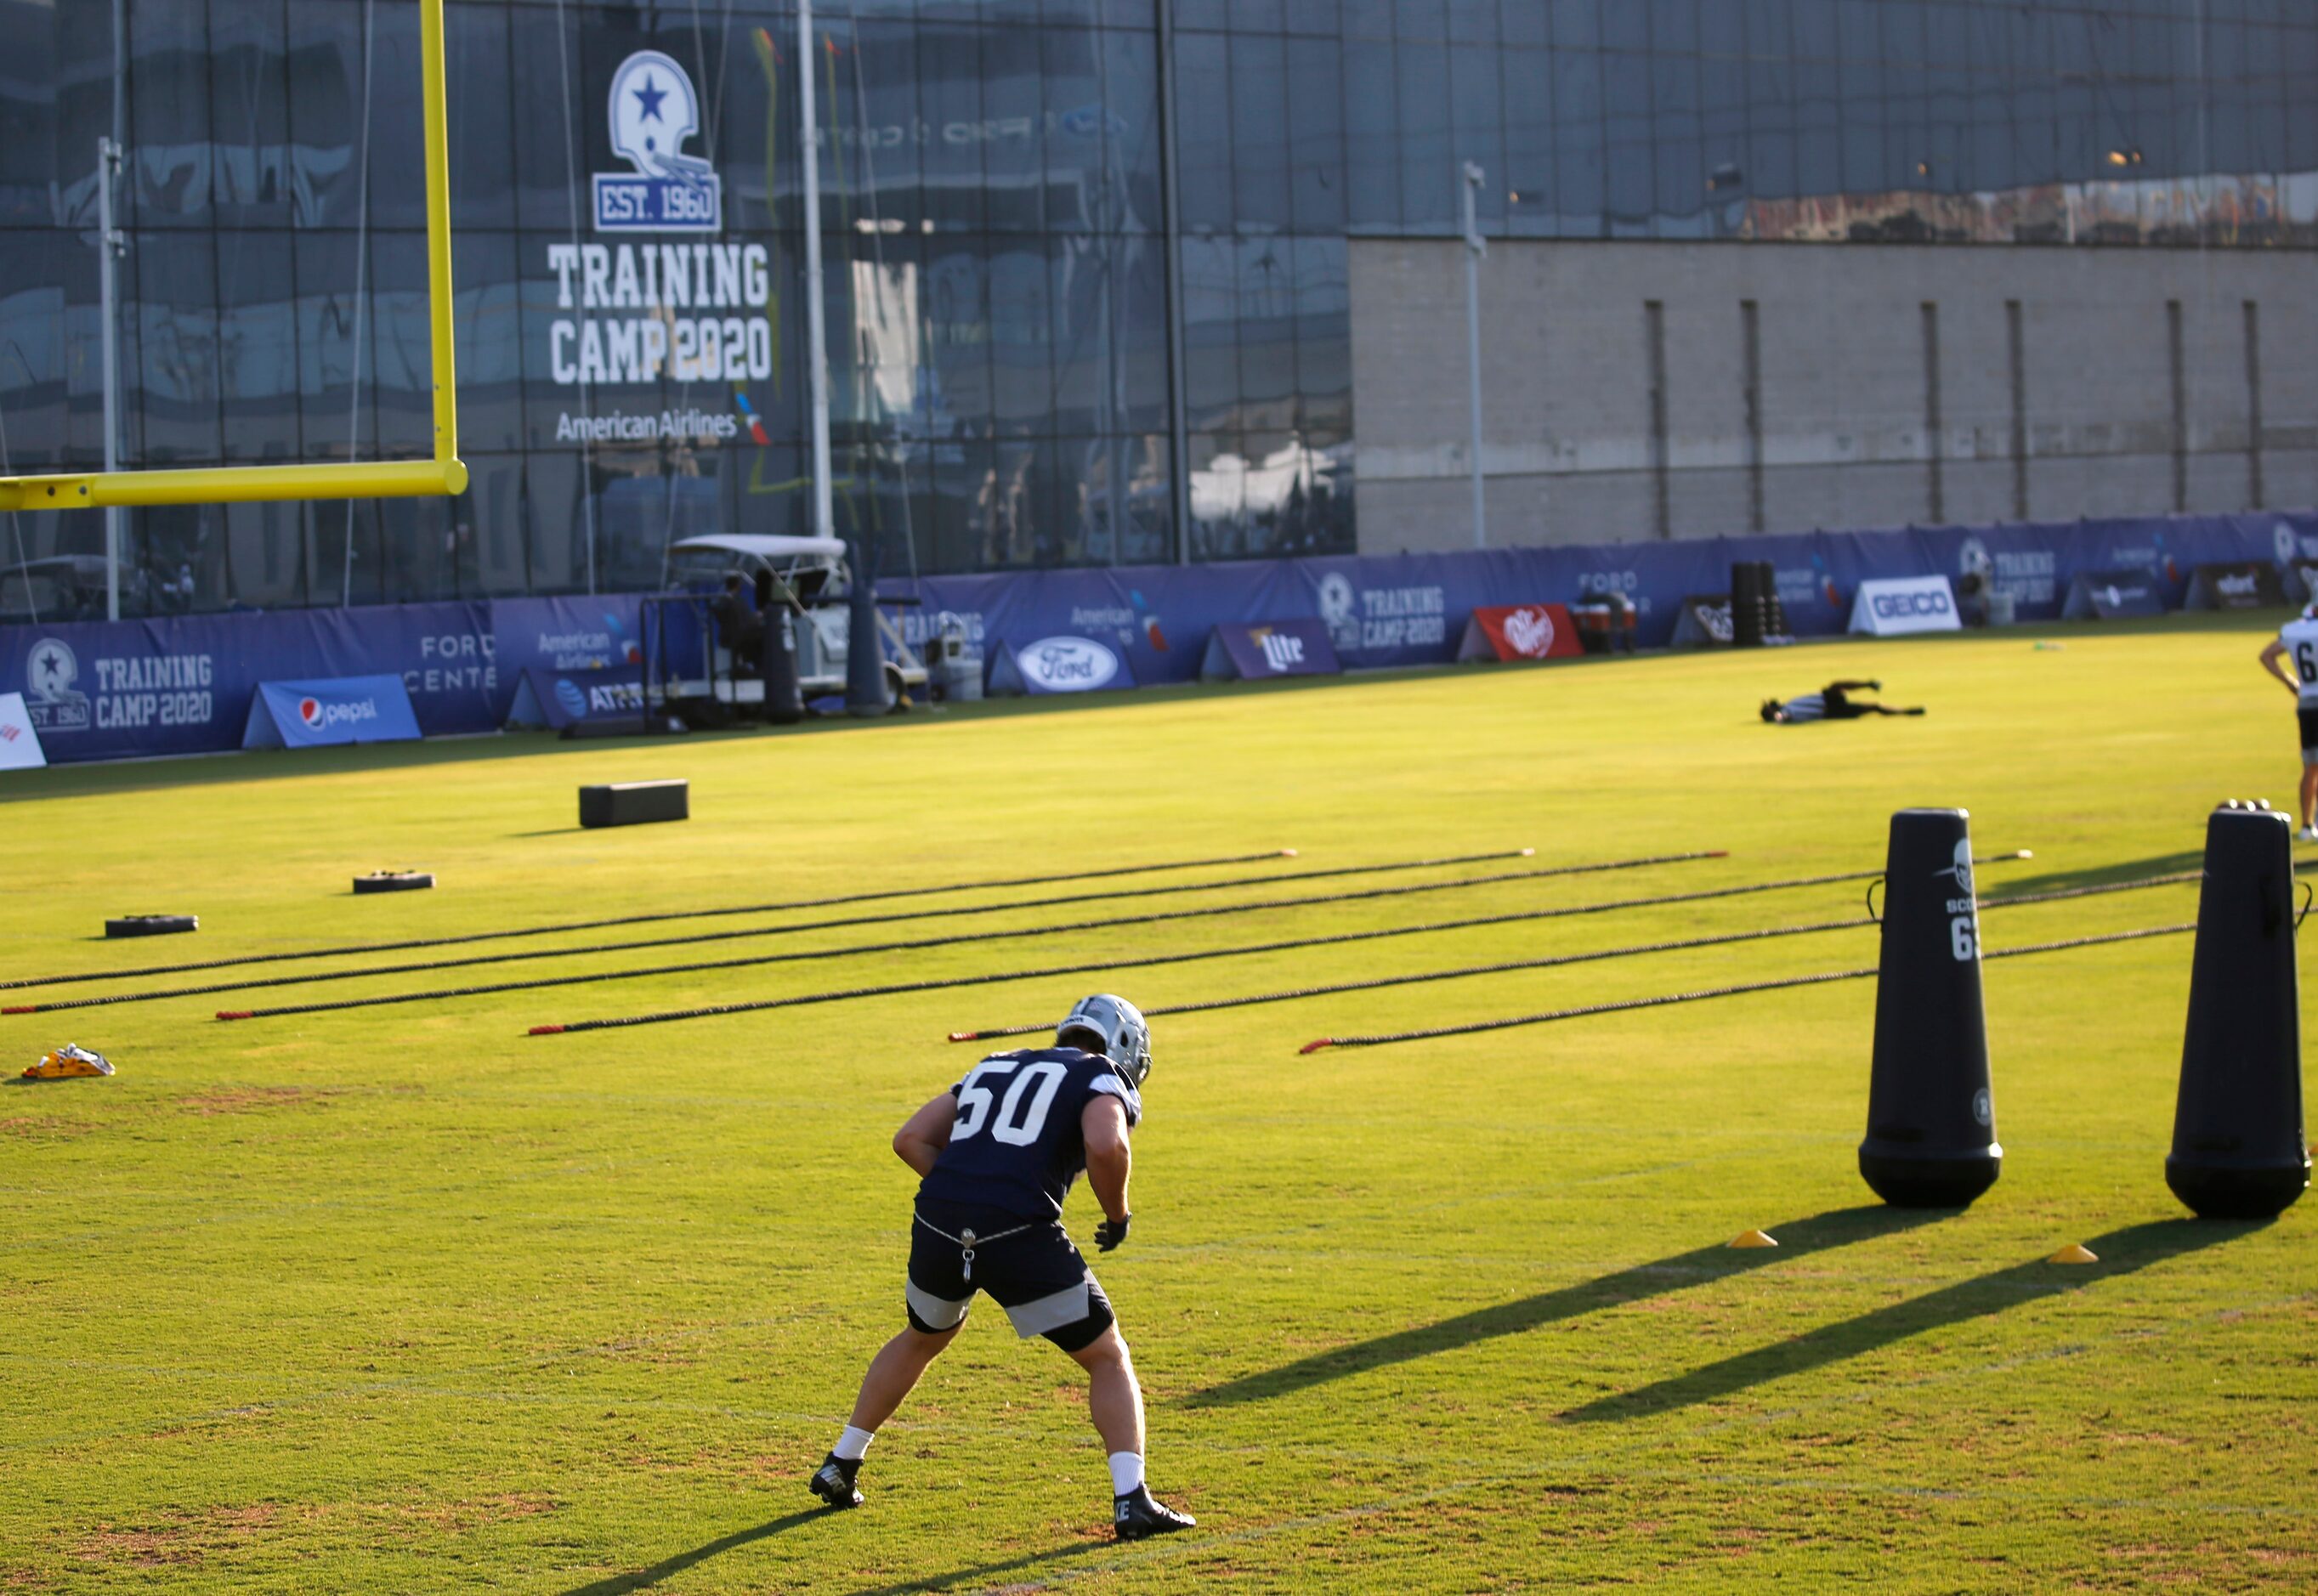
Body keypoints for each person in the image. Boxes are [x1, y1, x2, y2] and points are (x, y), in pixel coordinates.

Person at [808, 994, 1196, 1543]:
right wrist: (1117, 1215)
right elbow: (1106, 1145)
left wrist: (962, 1194)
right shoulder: (1100, 1073)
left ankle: (840, 1463)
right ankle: (1131, 1499)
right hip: (1019, 1230)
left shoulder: (995, 1062)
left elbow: (910, 1139)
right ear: (1125, 1045)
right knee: (1107, 1357)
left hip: (938, 1222)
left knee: (923, 1336)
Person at [2256, 603, 2318, 840]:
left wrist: (2290, 682)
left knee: (2311, 767)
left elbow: (2266, 655)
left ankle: (2306, 826)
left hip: (2306, 704)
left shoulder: (2294, 630)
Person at [1760, 679, 1925, 724]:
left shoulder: (1790, 703)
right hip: (1829, 710)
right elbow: (1782, 717)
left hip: (1826, 699)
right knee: (1874, 707)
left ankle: (1869, 684)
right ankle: (1906, 711)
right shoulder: (1788, 710)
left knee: (1836, 686)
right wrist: (1776, 717)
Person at [710, 574, 764, 661]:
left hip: (726, 637)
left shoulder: (722, 600)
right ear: (737, 585)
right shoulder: (737, 601)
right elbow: (748, 620)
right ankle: (757, 666)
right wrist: (758, 616)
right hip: (739, 638)